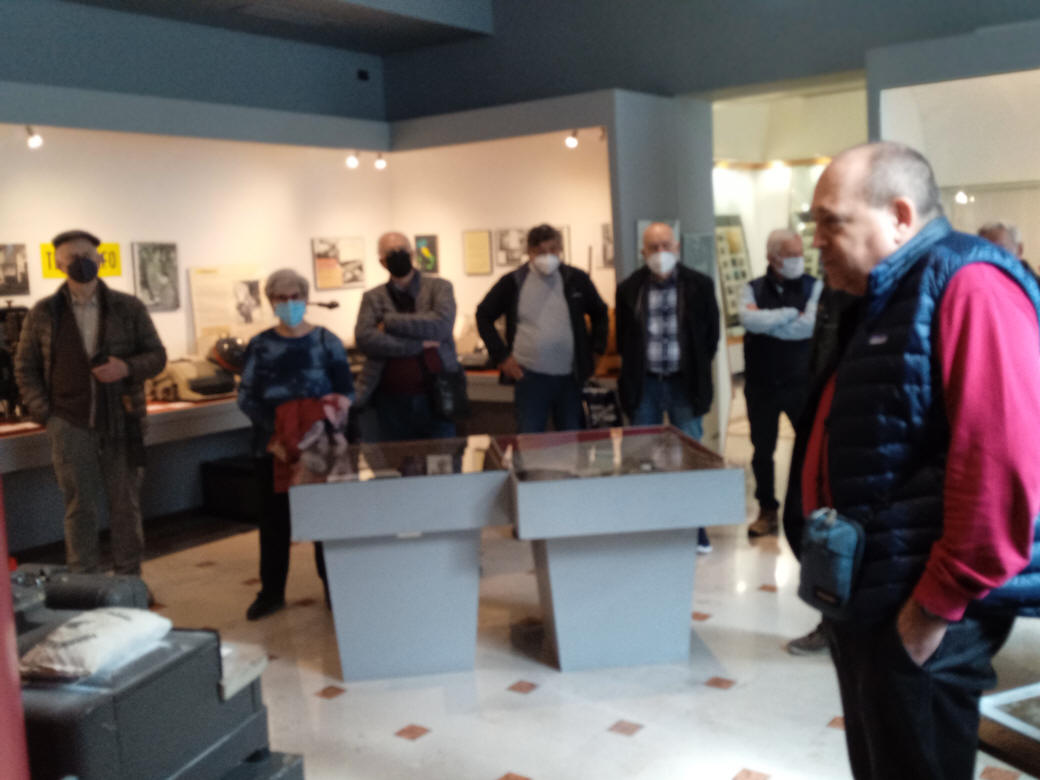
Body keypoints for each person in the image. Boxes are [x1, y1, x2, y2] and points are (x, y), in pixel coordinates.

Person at [783, 141, 1040, 780]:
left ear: (900, 216)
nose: (816, 240)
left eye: (830, 221)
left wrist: (929, 613)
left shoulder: (970, 285)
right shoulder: (879, 294)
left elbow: (1003, 470)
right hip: (872, 594)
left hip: (920, 607)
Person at [15, 229, 166, 579]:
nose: (80, 262)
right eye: (72, 257)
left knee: (125, 505)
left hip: (123, 420)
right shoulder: (43, 313)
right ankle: (83, 583)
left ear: (99, 258)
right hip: (69, 423)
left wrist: (126, 367)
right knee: (79, 506)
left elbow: (157, 356)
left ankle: (129, 581)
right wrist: (47, 414)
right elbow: (25, 367)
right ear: (58, 264)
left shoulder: (128, 307)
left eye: (87, 254)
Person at [238, 268, 354, 620]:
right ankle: (271, 593)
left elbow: (346, 392)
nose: (289, 303)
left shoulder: (326, 341)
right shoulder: (260, 346)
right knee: (275, 522)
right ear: (271, 301)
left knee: (325, 520)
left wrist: (317, 425)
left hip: (320, 445)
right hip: (272, 446)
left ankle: (334, 587)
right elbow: (246, 396)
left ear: (305, 298)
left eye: (295, 297)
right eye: (281, 298)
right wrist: (278, 430)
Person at [615, 221, 719, 552]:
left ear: (676, 248)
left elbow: (710, 337)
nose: (660, 253)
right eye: (653, 247)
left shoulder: (699, 285)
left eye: (665, 246)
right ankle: (647, 525)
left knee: (691, 458)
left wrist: (694, 367)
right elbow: (624, 340)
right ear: (642, 252)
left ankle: (695, 528)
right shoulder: (629, 289)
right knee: (639, 458)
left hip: (683, 384)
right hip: (645, 384)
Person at [476, 223, 608, 433]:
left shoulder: (576, 279)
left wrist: (597, 350)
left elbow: (600, 313)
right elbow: (483, 315)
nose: (547, 257)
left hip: (570, 378)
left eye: (552, 250)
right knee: (530, 439)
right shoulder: (513, 282)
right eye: (540, 252)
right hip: (529, 378)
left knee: (571, 438)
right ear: (529, 252)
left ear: (560, 250)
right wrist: (501, 356)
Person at [741, 229, 822, 538]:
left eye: (800, 254)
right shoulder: (751, 288)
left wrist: (767, 322)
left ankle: (806, 510)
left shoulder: (815, 286)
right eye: (791, 255)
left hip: (800, 383)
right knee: (762, 451)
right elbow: (748, 321)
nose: (798, 260)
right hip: (761, 385)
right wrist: (789, 314)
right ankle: (767, 511)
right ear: (772, 258)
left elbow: (808, 326)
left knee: (808, 449)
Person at [355, 232, 458, 441]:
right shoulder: (373, 297)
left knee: (443, 455)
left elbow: (441, 326)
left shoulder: (439, 288)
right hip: (390, 400)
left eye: (402, 250)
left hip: (438, 394)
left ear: (412, 254)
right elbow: (365, 338)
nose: (398, 255)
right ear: (382, 261)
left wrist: (389, 322)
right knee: (395, 457)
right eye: (391, 253)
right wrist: (418, 344)